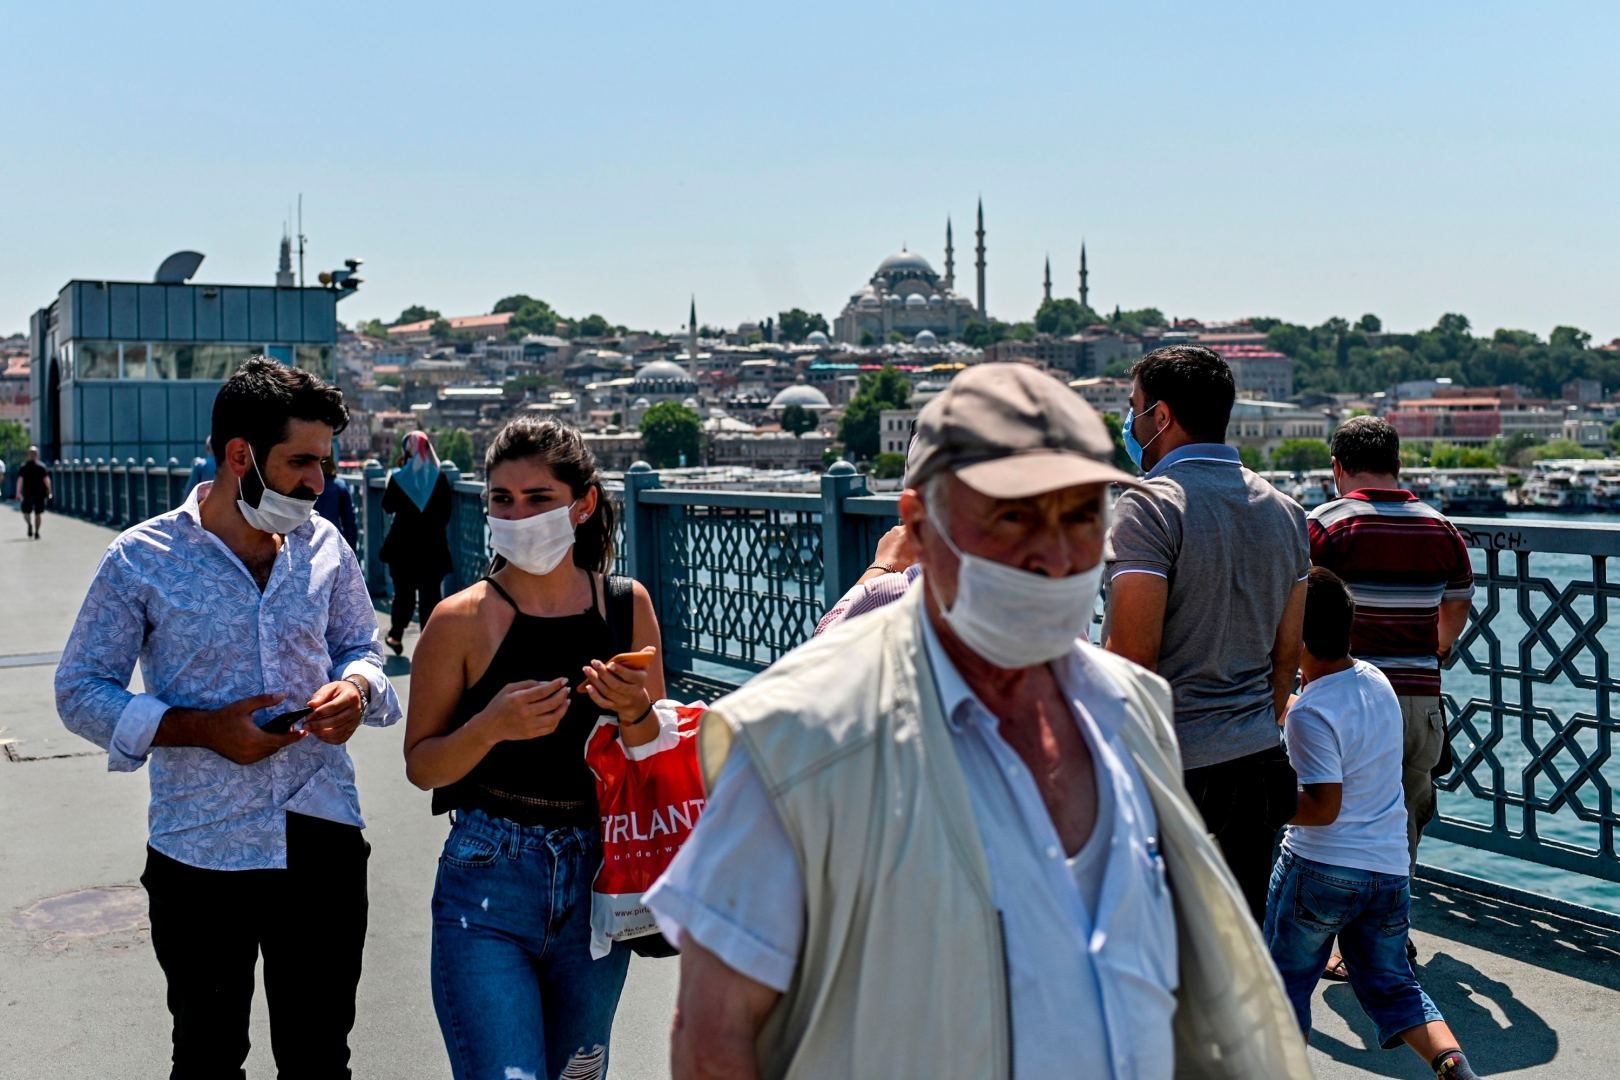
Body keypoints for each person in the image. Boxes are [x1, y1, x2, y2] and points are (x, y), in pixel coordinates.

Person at [648, 364, 1310, 1079]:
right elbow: (714, 1039)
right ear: (918, 526)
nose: (1055, 556)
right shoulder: (802, 740)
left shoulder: (1128, 707)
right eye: (1014, 514)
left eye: (1081, 514)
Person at [55, 356, 402, 1079]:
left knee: (319, 1057)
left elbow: (361, 645)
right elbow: (81, 688)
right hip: (199, 845)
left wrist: (357, 690)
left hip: (323, 830)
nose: (320, 482)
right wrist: (199, 728)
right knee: (208, 1056)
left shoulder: (325, 543)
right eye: (301, 462)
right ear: (240, 455)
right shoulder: (140, 558)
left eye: (326, 463)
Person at [402, 417, 666, 1080]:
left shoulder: (625, 606)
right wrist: (488, 726)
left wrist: (635, 712)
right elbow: (422, 764)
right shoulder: (458, 620)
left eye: (538, 498)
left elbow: (659, 760)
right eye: (501, 500)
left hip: (599, 877)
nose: (517, 515)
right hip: (488, 875)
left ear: (583, 504)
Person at [1103, 345, 1309, 923]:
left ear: (1161, 417)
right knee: (1236, 955)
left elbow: (1133, 660)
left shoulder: (1149, 505)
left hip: (1172, 770)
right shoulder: (1286, 510)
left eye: (1134, 408)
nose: (1131, 421)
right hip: (1256, 761)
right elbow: (1285, 656)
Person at [1266, 568, 1485, 1080]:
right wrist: (1290, 705)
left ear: (1293, 633)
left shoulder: (1309, 716)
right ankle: (1455, 1070)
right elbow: (1332, 720)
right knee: (1395, 987)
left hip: (1320, 870)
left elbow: (1322, 806)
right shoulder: (1374, 680)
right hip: (1386, 871)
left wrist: (1262, 804)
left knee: (1284, 986)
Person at [1308, 415, 1475, 979]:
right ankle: (1391, 937)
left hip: (1348, 702)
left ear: (1339, 467)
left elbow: (1299, 609)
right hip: (1420, 699)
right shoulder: (1441, 527)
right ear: (1397, 464)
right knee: (1403, 820)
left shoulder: (1326, 526)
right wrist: (1436, 652)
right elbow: (1455, 608)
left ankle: (1358, 945)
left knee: (1345, 821)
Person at [380, 430, 453, 654]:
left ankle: (396, 634)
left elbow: (387, 506)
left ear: (406, 450)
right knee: (431, 593)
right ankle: (429, 638)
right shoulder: (439, 477)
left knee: (404, 593)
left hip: (402, 548)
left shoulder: (399, 477)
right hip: (432, 547)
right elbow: (446, 513)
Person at [313, 447, 360, 551]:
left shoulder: (305, 486)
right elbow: (349, 524)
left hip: (310, 543)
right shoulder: (340, 486)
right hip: (333, 544)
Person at [17, 446, 51, 540]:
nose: (32, 455)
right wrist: (18, 492)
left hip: (35, 494)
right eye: (31, 453)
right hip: (31, 494)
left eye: (33, 453)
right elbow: (20, 480)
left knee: (35, 513)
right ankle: (32, 528)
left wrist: (49, 491)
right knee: (30, 513)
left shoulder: (38, 467)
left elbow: (46, 480)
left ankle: (35, 530)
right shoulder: (26, 467)